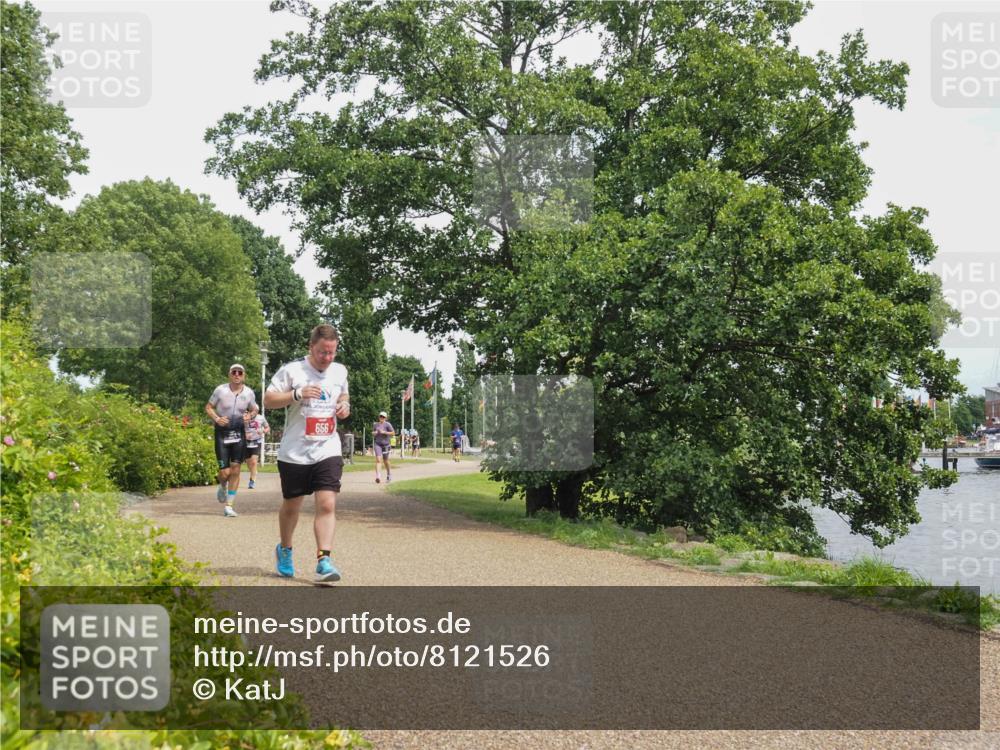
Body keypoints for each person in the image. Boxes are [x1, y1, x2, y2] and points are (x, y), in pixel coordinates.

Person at [264, 324, 350, 582]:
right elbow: (268, 400)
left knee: (327, 503)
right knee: (293, 505)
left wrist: (344, 405)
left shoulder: (340, 371)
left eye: (332, 352)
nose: (327, 357)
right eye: (323, 352)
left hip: (327, 447)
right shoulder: (292, 370)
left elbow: (343, 394)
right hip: (295, 451)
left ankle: (324, 561)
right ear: (311, 347)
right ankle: (285, 549)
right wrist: (296, 394)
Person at [206, 364, 258, 517]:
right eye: (234, 372)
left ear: (244, 375)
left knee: (236, 469)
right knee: (225, 472)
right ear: (229, 375)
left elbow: (255, 409)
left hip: (239, 433)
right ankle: (222, 485)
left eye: (240, 373)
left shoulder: (249, 392)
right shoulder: (220, 390)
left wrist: (250, 415)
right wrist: (217, 419)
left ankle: (229, 506)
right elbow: (208, 407)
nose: (237, 375)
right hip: (222, 433)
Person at [244, 412, 270, 489]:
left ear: (257, 411)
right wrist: (244, 434)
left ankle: (252, 480)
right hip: (246, 442)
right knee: (248, 463)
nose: (253, 413)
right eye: (251, 411)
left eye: (255, 411)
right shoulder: (244, 416)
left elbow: (268, 428)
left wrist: (263, 431)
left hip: (257, 441)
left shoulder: (261, 418)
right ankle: (254, 472)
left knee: (254, 461)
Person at [373, 411, 395, 484]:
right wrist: (375, 433)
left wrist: (384, 432)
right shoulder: (375, 424)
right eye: (381, 416)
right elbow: (373, 433)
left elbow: (393, 433)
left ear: (386, 418)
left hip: (386, 445)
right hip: (377, 444)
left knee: (386, 460)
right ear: (379, 417)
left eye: (383, 417)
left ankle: (389, 474)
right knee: (378, 460)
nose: (381, 418)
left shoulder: (387, 424)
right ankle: (378, 476)